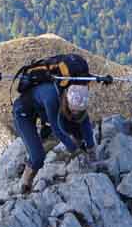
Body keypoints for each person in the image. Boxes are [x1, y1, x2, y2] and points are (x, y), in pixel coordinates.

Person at [12, 54, 103, 193]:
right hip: (23, 113)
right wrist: (75, 151)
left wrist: (91, 149)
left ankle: (82, 151)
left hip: (40, 108)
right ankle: (25, 185)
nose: (75, 114)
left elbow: (84, 120)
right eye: (73, 110)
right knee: (38, 157)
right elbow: (58, 129)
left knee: (75, 125)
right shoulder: (53, 98)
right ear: (66, 99)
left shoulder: (75, 91)